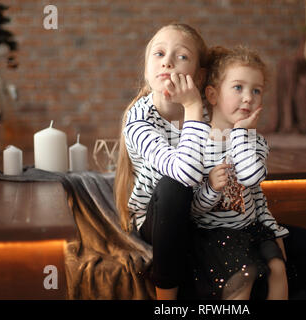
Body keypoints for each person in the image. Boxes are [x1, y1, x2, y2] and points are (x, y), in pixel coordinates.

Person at [188, 46, 306, 300]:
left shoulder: (255, 142)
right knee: (243, 274)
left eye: (256, 90)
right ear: (212, 95)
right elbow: (192, 210)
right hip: (213, 237)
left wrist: (273, 230)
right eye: (238, 88)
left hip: (251, 229)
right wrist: (212, 188)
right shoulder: (195, 143)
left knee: (281, 264)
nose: (248, 97)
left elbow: (252, 184)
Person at [114, 23, 211, 300]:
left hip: (204, 214)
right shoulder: (138, 121)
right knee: (173, 187)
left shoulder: (210, 107)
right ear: (147, 69)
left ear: (199, 76)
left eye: (181, 56)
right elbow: (185, 175)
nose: (167, 61)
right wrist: (193, 108)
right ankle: (166, 299)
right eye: (158, 54)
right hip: (158, 222)